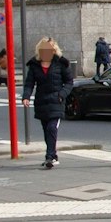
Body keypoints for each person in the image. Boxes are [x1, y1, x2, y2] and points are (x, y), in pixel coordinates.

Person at [22, 38, 74, 168]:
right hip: (41, 101)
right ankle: (53, 154)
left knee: (51, 128)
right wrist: (26, 96)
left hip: (56, 101)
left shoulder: (61, 63)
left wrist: (61, 95)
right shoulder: (34, 65)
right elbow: (29, 83)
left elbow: (69, 82)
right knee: (47, 130)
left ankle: (49, 157)